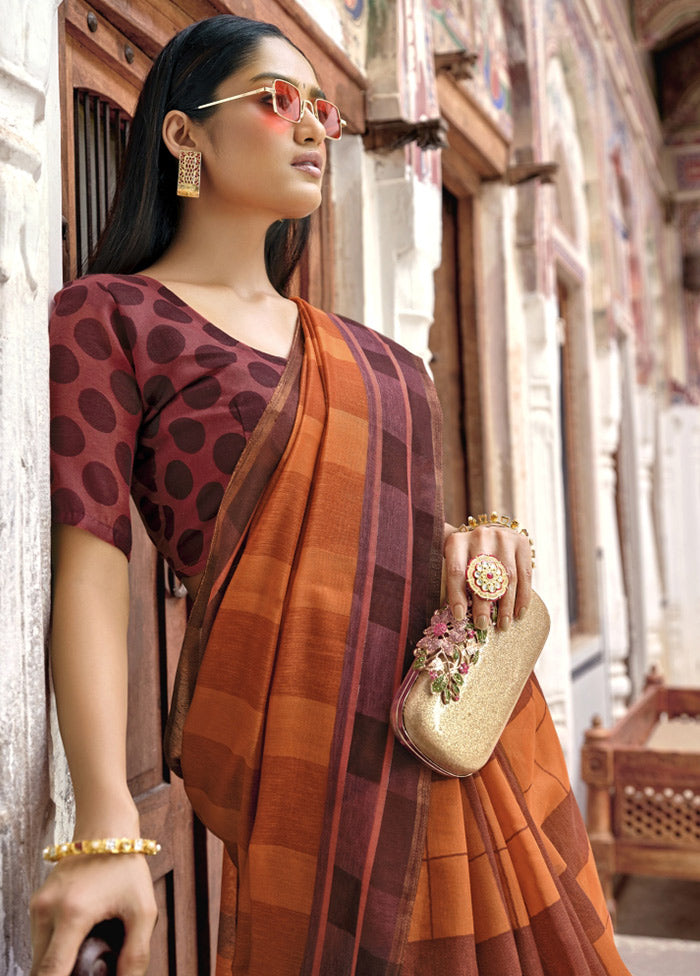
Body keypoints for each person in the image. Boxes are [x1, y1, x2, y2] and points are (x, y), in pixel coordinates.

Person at [31, 13, 631, 976]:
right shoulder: (112, 318)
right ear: (184, 136)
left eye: (324, 111)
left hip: (438, 752)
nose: (314, 126)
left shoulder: (384, 363)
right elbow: (90, 565)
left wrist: (482, 546)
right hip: (299, 767)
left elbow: (403, 554)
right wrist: (106, 822)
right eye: (280, 101)